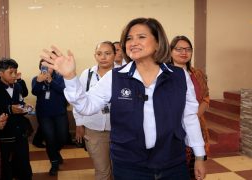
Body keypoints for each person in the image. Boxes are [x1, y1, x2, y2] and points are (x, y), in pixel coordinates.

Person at [41, 17, 206, 179]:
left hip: (172, 162)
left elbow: (189, 117)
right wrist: (70, 77)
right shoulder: (115, 77)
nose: (133, 42)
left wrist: (199, 156)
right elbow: (86, 106)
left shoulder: (178, 76)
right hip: (129, 165)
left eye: (141, 37)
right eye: (128, 38)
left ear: (158, 42)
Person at [170, 35, 210, 179]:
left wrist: (194, 116)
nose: (183, 52)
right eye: (179, 49)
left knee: (195, 170)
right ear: (170, 52)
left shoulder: (197, 74)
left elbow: (206, 97)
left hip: (197, 126)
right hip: (173, 130)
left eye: (187, 49)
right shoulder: (164, 75)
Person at [74, 41, 115, 180]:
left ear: (115, 55)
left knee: (120, 170)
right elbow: (78, 100)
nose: (103, 57)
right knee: (102, 171)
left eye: (108, 53)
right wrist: (79, 123)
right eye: (99, 53)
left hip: (120, 129)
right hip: (94, 129)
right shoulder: (87, 74)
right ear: (95, 56)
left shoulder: (122, 74)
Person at [0, 58, 32, 180]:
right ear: (0, 73)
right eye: (10, 72)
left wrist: (25, 107)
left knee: (23, 160)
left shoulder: (17, 86)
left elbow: (20, 102)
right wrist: (9, 109)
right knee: (5, 162)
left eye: (15, 72)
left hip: (20, 131)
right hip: (4, 132)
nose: (14, 75)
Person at [31, 59, 69, 176]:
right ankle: (54, 163)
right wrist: (39, 81)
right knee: (49, 139)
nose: (47, 69)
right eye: (44, 66)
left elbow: (64, 91)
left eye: (49, 66)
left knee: (63, 138)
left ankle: (55, 152)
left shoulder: (61, 77)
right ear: (40, 67)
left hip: (60, 113)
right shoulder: (36, 79)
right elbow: (35, 92)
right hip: (44, 115)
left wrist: (50, 81)